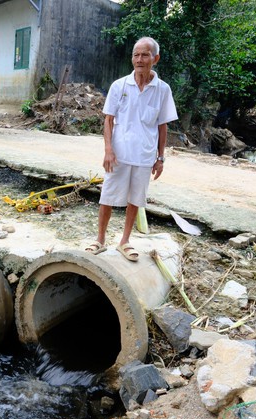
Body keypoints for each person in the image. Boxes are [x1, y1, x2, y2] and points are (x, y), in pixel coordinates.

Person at [86, 36, 178, 261]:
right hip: (118, 153)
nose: (139, 59)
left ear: (155, 59)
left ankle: (124, 241)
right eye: (136, 55)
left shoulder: (162, 90)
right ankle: (100, 239)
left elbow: (162, 125)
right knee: (107, 196)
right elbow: (108, 120)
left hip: (145, 155)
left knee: (136, 199)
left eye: (145, 55)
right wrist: (108, 150)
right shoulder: (119, 85)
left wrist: (161, 157)